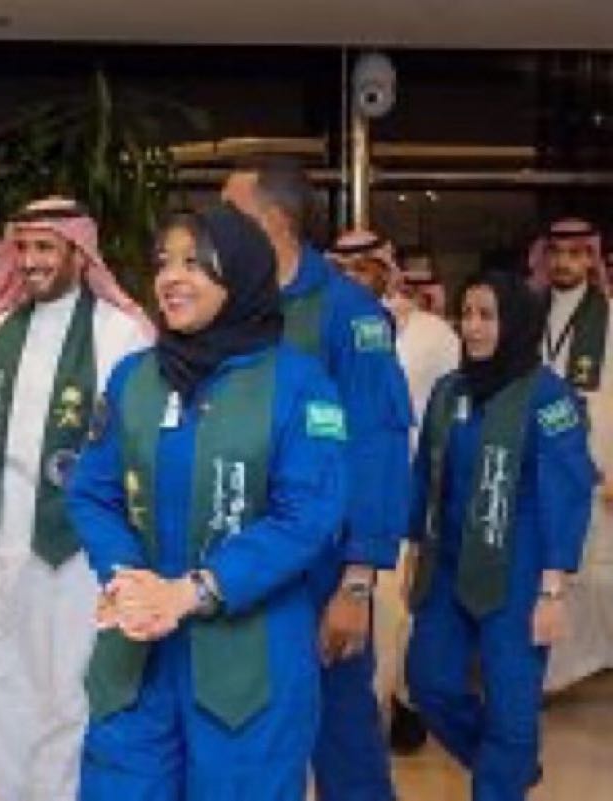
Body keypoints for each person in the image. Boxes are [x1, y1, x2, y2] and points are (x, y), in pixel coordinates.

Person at [69, 204, 346, 801]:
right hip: (138, 656)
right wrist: (126, 577)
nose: (171, 277)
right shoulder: (133, 378)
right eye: (163, 262)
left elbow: (307, 518)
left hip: (250, 667)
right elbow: (92, 490)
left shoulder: (299, 385)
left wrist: (195, 591)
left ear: (239, 274)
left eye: (195, 264)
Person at [0, 197, 151, 801]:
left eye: (46, 248)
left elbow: (137, 444)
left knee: (64, 691)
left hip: (73, 540)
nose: (32, 261)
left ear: (79, 253)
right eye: (23, 248)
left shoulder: (121, 333)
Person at [223, 160, 412, 801]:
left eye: (232, 213)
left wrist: (356, 584)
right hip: (242, 558)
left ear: (274, 221)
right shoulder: (229, 304)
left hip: (323, 566)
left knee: (341, 735)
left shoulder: (348, 315)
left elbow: (377, 449)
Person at [405, 269, 597, 801]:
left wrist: (553, 591)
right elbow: (426, 474)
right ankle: (509, 768)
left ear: (515, 322)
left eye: (486, 316)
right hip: (447, 570)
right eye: (465, 314)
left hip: (520, 576)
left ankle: (501, 781)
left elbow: (568, 491)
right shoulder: (449, 391)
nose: (472, 327)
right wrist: (415, 550)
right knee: (430, 683)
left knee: (513, 709)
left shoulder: (548, 397)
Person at [328, 229, 459, 752]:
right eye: (344, 267)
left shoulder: (433, 334)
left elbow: (452, 410)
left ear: (388, 269)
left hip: (408, 497)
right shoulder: (328, 323)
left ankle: (391, 713)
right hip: (345, 496)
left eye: (365, 267)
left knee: (396, 615)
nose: (354, 277)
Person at [528, 218, 613, 692]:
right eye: (556, 253)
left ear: (591, 259)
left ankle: (579, 667)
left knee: (589, 567)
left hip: (594, 461)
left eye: (576, 253)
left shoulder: (610, 318)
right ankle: (548, 673)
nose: (564, 262)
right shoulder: (527, 311)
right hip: (535, 457)